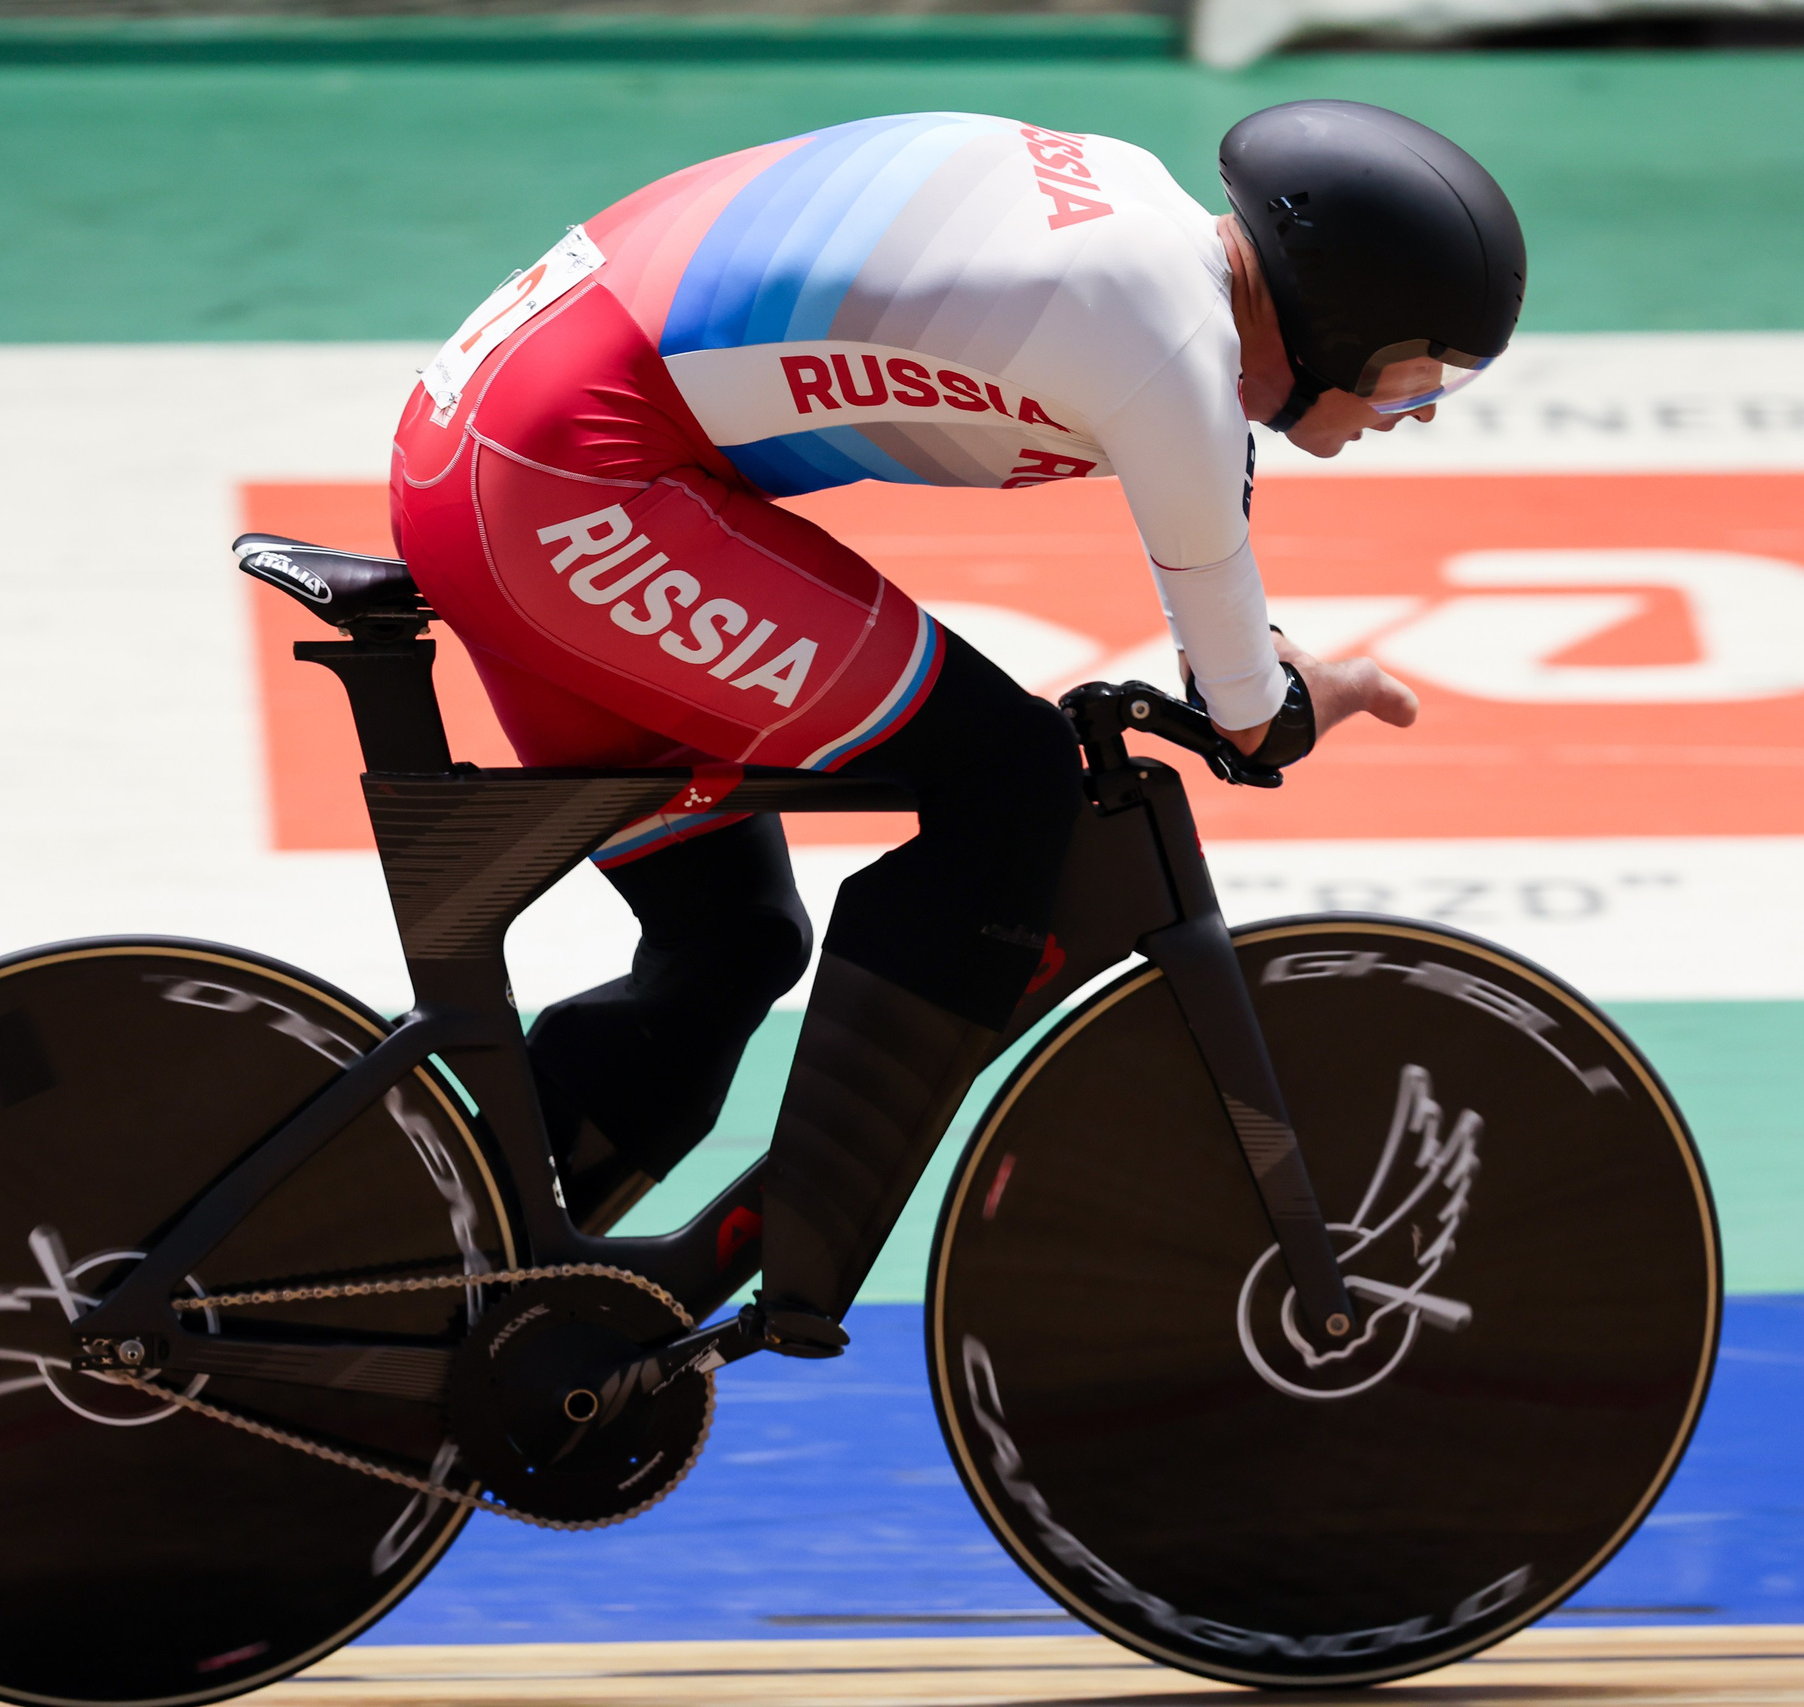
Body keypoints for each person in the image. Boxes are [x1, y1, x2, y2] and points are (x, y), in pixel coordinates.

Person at [386, 100, 1525, 1352]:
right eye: (1422, 374)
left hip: (503, 446)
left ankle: (436, 1294)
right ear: (1333, 318)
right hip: (573, 483)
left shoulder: (1139, 220)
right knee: (1012, 786)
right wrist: (1291, 700)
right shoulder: (1171, 343)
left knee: (729, 944)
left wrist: (1251, 670)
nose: (1416, 410)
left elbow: (1221, 600)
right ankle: (803, 1267)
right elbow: (1246, 717)